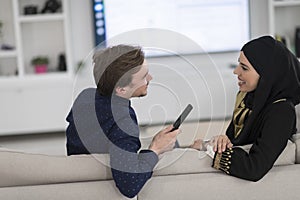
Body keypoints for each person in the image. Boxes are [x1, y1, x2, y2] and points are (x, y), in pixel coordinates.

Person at [65, 45, 180, 198]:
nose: (150, 79)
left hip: (77, 174)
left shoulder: (86, 96)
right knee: (172, 149)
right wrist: (155, 149)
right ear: (121, 89)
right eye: (144, 77)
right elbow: (130, 186)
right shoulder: (123, 120)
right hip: (101, 188)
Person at [193, 35, 300, 181]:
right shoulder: (248, 98)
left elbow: (254, 168)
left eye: (244, 68)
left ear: (266, 75)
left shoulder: (281, 112)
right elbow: (233, 141)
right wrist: (220, 141)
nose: (236, 71)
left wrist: (207, 149)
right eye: (239, 64)